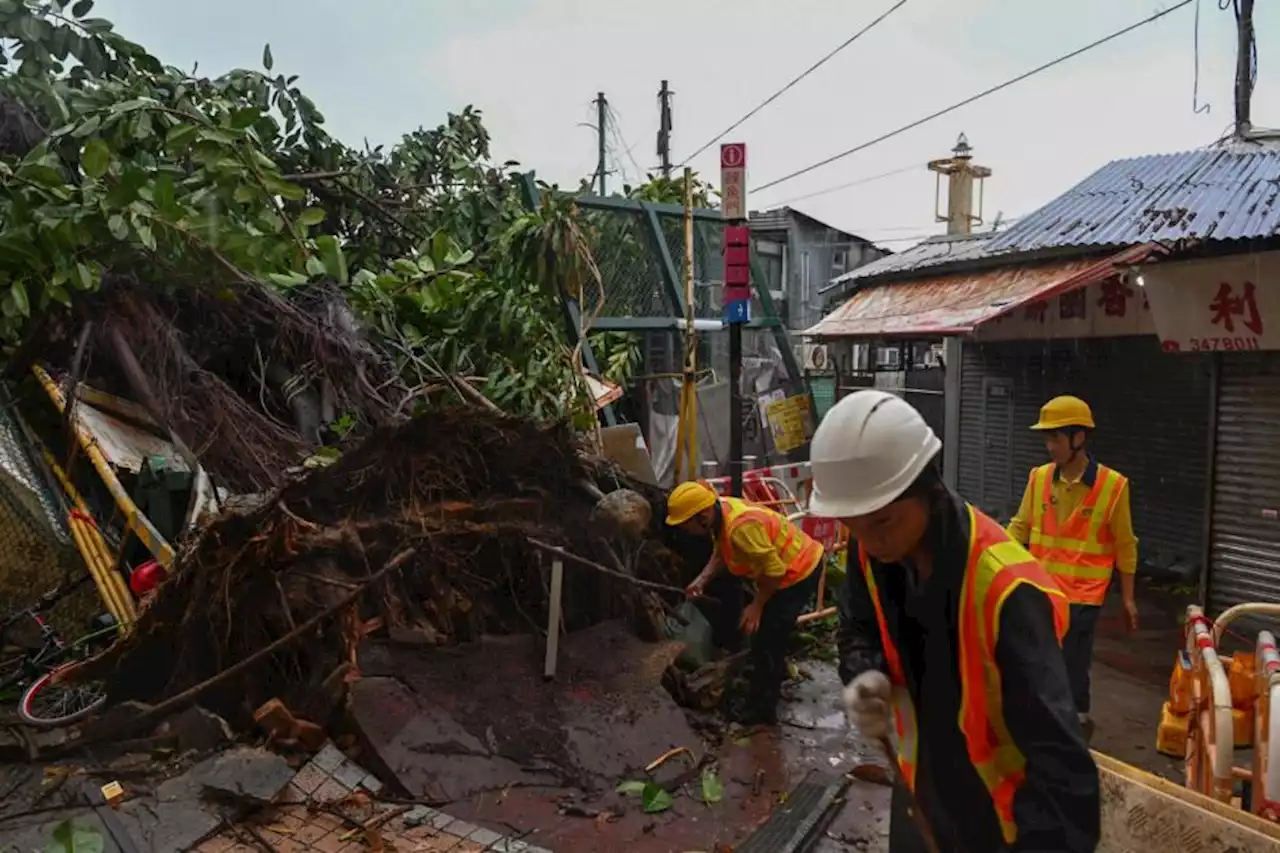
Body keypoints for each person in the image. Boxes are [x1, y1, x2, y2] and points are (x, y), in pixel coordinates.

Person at [809, 390, 1099, 853]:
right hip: (921, 794)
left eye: (881, 522)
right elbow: (857, 624)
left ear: (928, 487)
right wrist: (864, 672)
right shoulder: (870, 549)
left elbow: (1063, 769)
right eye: (853, 525)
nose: (868, 541)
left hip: (1001, 823)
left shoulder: (1008, 593)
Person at [1007, 395, 1139, 740]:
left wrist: (1128, 598)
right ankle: (1042, 723)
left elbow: (1125, 544)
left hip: (1083, 596)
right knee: (1037, 657)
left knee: (1072, 664)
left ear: (1078, 438)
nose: (1049, 446)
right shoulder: (1038, 479)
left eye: (1055, 438)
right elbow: (1019, 528)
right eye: (1047, 438)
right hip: (1041, 589)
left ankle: (1075, 726)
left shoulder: (1113, 487)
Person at [666, 479, 823, 726]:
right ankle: (771, 676)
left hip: (797, 571)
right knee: (766, 635)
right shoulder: (721, 512)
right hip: (786, 568)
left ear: (703, 516)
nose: (685, 531)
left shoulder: (741, 528)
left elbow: (775, 570)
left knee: (767, 638)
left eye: (685, 525)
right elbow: (722, 550)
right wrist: (702, 579)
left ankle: (761, 713)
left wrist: (757, 606)